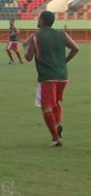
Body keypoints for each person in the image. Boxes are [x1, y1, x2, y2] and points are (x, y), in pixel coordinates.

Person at [23, 11, 80, 147]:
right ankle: (58, 124)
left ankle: (55, 138)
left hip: (47, 77)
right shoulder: (61, 34)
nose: (37, 19)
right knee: (56, 102)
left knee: (46, 107)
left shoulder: (36, 36)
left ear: (42, 20)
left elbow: (28, 57)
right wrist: (64, 61)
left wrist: (26, 46)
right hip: (62, 75)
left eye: (38, 18)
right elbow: (76, 48)